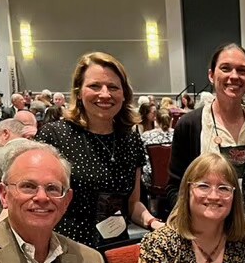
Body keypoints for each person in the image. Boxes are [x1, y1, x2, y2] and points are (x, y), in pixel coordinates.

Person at [36, 51, 161, 247]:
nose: (105, 94)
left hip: (115, 247)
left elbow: (133, 204)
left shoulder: (130, 138)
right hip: (67, 249)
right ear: (78, 92)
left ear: (124, 94)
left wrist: (153, 222)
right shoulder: (55, 136)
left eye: (113, 87)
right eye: (94, 86)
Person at [167, 43, 245, 209]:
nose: (234, 76)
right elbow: (175, 188)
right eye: (225, 68)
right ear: (211, 75)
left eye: (241, 70)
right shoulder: (189, 125)